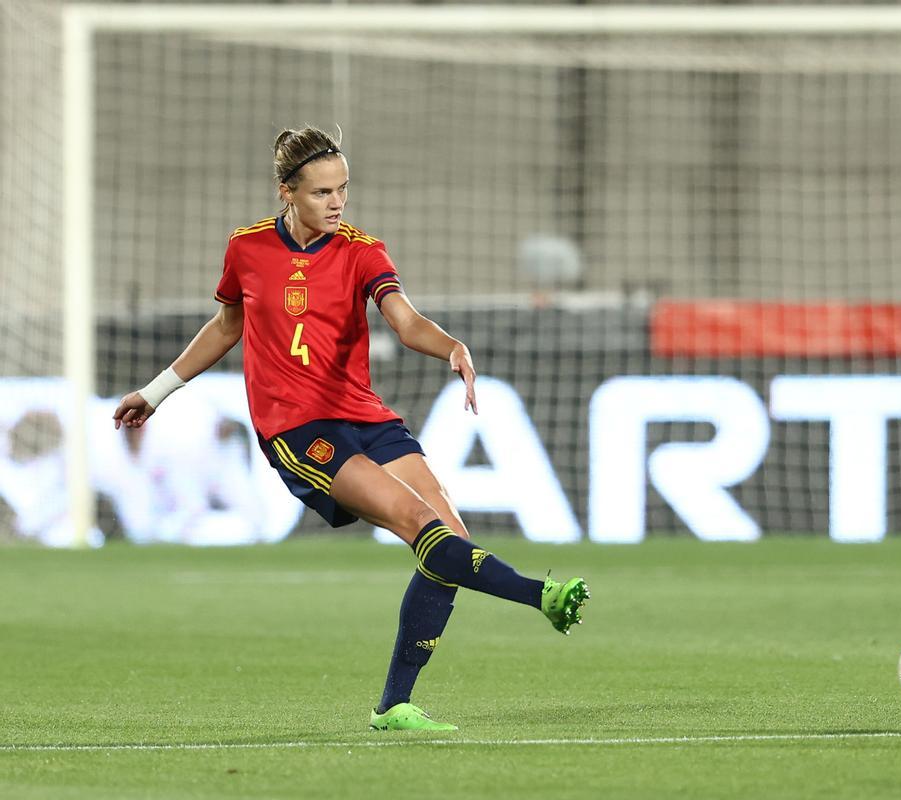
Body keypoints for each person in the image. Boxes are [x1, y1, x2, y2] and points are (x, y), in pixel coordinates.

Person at [112, 125, 589, 731]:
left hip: (366, 415)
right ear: (288, 192)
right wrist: (155, 393)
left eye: (343, 189)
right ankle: (539, 597)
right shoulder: (247, 249)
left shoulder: (363, 250)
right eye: (321, 193)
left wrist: (451, 347)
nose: (336, 203)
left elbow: (405, 320)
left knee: (448, 537)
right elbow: (227, 326)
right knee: (423, 527)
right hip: (297, 427)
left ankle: (394, 706)